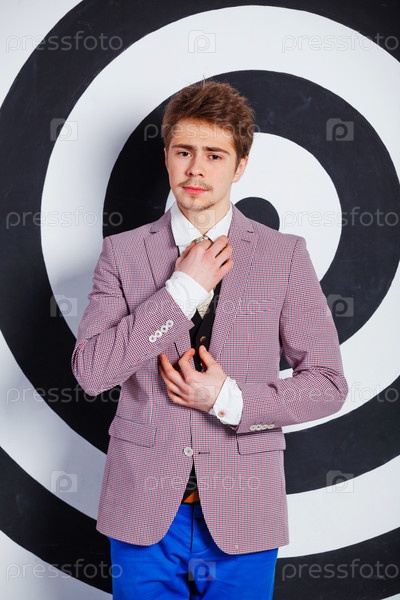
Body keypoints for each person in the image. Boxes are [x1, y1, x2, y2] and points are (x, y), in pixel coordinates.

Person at [72, 80, 348, 599]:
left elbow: (328, 384)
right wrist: (179, 292)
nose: (196, 169)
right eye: (184, 151)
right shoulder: (122, 254)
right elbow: (91, 371)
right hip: (142, 509)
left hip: (245, 509)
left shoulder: (284, 255)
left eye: (214, 155)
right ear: (167, 156)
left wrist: (228, 399)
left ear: (240, 166)